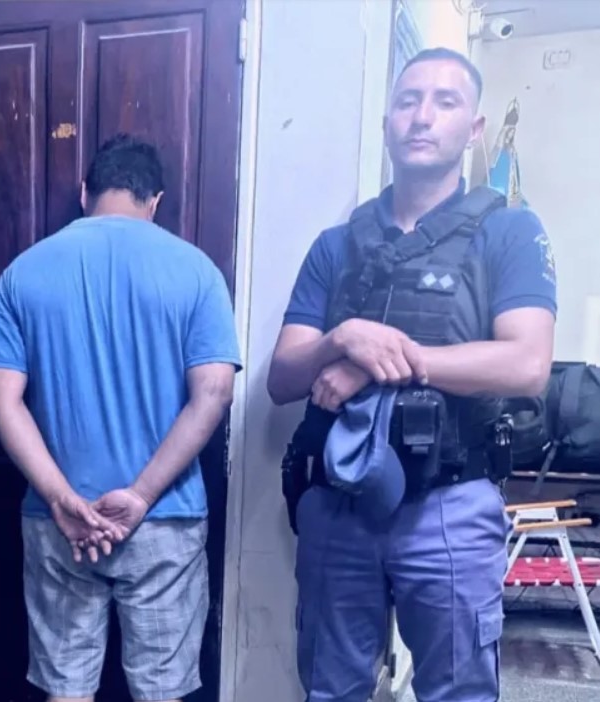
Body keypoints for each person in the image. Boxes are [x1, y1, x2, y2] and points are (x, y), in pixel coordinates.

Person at [268, 47, 557, 701]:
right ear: (386, 122)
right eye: (407, 100)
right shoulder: (335, 245)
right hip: (338, 504)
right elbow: (282, 378)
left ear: (473, 129)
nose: (422, 116)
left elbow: (526, 364)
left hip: (449, 506)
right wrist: (340, 340)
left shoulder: (509, 231)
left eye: (444, 102)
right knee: (328, 691)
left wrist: (381, 363)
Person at [0, 134, 242, 702]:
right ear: (155, 201)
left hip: (61, 521)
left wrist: (59, 497)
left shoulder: (23, 273)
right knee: (161, 692)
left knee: (66, 689)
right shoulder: (197, 272)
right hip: (164, 517)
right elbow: (215, 392)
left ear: (85, 193)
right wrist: (141, 495)